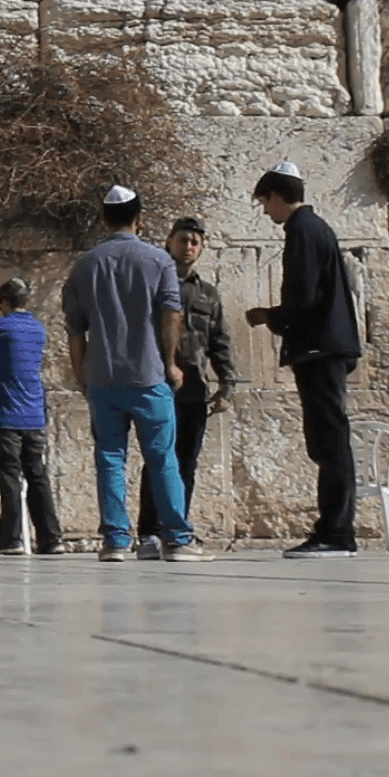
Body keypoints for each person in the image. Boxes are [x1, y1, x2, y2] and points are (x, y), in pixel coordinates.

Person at [61, 186, 212, 563]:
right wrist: (171, 362)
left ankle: (115, 539)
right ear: (139, 218)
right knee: (163, 458)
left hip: (103, 376)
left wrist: (81, 374)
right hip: (148, 376)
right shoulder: (158, 261)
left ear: (104, 217)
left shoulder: (85, 265)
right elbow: (170, 314)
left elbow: (75, 329)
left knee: (110, 457)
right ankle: (177, 538)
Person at [244, 162, 364, 558]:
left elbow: (304, 297)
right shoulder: (316, 228)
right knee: (329, 441)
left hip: (319, 349)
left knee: (329, 443)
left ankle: (336, 534)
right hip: (326, 347)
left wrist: (269, 316)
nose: (266, 212)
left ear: (278, 197)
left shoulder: (301, 230)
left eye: (265, 203)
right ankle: (334, 530)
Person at [135, 218, 240, 560]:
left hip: (194, 389)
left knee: (186, 464)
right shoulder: (152, 286)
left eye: (195, 241)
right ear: (169, 241)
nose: (189, 246)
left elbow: (219, 340)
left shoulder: (207, 293)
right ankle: (149, 532)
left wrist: (227, 384)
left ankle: (176, 531)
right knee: (156, 459)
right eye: (183, 239)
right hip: (159, 385)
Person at [0, 278, 64, 555]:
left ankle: (10, 540)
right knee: (38, 476)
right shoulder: (38, 328)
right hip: (34, 414)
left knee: (10, 478)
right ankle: (51, 538)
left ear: (5, 302)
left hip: (5, 414)